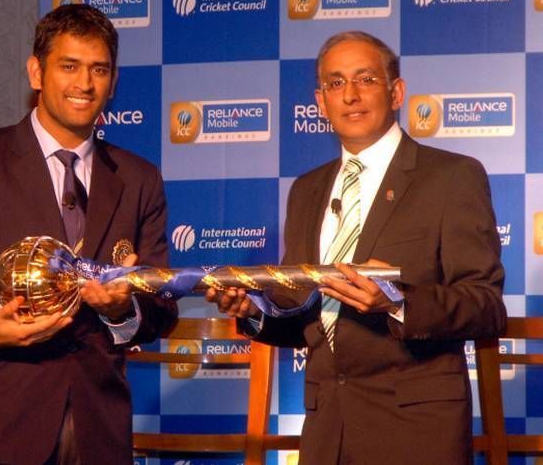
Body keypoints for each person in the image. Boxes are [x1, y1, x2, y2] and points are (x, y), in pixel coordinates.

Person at [0, 4, 177, 465]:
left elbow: (162, 307)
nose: (84, 84)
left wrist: (125, 308)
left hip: (98, 432)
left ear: (113, 81)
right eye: (69, 66)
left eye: (99, 69)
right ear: (36, 72)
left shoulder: (139, 178)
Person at [206, 31, 506, 465]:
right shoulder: (307, 191)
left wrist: (397, 302)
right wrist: (254, 311)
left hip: (416, 432)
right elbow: (303, 316)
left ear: (396, 91)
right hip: (326, 429)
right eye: (335, 83)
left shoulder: (453, 177)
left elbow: (485, 306)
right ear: (320, 102)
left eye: (365, 79)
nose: (349, 95)